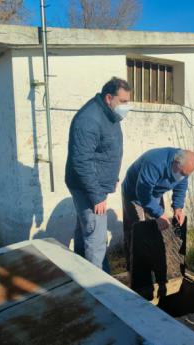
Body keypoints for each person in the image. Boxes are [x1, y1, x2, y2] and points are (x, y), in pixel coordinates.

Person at [65, 77, 131, 273]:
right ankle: (98, 287)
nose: (126, 107)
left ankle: (80, 273)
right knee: (96, 239)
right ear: (109, 97)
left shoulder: (110, 114)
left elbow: (107, 150)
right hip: (88, 187)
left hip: (96, 183)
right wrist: (96, 195)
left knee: (85, 229)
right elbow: (81, 162)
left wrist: (113, 176)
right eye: (123, 101)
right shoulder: (89, 119)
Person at [121, 147, 194, 270]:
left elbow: (181, 186)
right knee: (137, 231)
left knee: (159, 227)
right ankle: (134, 268)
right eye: (182, 173)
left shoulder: (183, 169)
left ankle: (154, 264)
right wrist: (158, 214)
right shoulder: (154, 162)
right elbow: (143, 193)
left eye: (186, 175)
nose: (183, 176)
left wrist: (178, 208)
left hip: (155, 193)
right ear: (176, 163)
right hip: (135, 194)